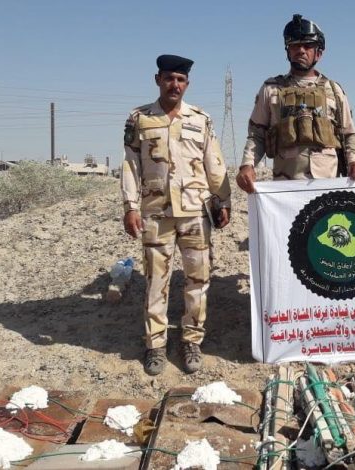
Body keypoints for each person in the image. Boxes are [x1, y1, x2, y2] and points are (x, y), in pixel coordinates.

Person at [121, 54, 231, 375]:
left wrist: (223, 201)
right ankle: (155, 344)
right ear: (158, 80)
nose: (175, 84)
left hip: (196, 213)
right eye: (169, 78)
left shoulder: (201, 119)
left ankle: (191, 339)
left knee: (198, 279)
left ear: (187, 84)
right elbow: (131, 165)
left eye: (180, 80)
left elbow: (214, 162)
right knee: (156, 281)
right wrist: (130, 206)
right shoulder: (139, 119)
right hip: (156, 213)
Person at [236, 14, 355, 193]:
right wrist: (247, 165)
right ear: (288, 51)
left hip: (327, 186)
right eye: (295, 45)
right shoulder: (271, 89)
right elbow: (256, 135)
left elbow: (350, 133)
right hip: (286, 187)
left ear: (318, 53)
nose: (301, 50)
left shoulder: (334, 90)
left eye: (308, 46)